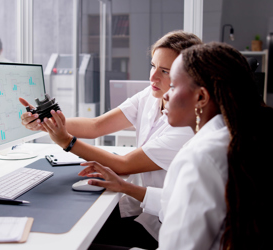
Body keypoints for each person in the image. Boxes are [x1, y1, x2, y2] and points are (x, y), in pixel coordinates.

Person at [78, 42, 272, 249]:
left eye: (173, 86)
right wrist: (125, 187)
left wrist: (67, 141)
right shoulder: (234, 137)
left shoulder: (201, 157)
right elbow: (186, 202)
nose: (166, 95)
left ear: (201, 97)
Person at [20, 31, 202, 248]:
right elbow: (97, 126)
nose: (153, 77)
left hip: (160, 227)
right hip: (140, 208)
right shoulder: (151, 94)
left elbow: (123, 165)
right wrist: (46, 122)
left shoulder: (187, 126)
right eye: (153, 66)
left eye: (165, 71)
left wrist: (66, 141)